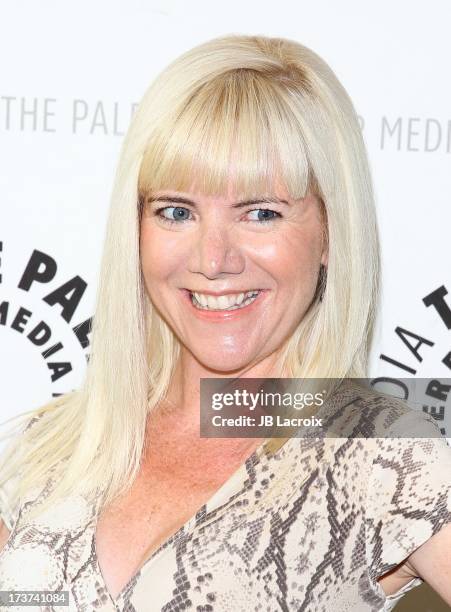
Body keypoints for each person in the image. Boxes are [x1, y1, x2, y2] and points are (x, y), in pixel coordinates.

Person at [0, 33, 450, 612]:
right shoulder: (45, 449)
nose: (214, 260)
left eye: (261, 213)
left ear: (331, 234)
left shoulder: (383, 457)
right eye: (176, 211)